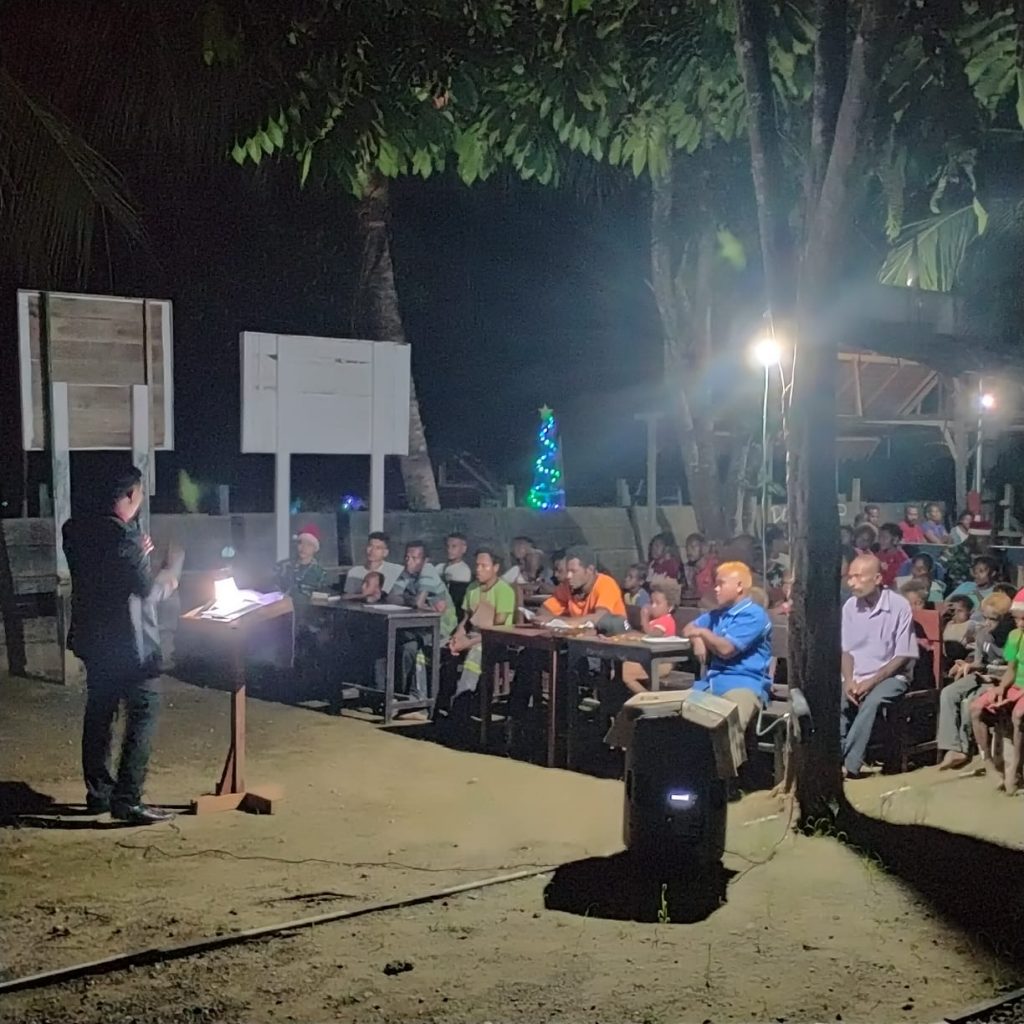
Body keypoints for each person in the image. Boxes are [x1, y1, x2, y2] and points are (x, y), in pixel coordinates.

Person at [63, 465, 183, 825]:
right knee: (143, 711)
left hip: (93, 639)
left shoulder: (75, 530)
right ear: (131, 494)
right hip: (131, 645)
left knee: (99, 714)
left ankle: (99, 793)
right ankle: (128, 799)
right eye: (140, 493)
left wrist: (135, 550)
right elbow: (145, 590)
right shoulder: (125, 538)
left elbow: (108, 569)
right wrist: (170, 575)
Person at [840, 554, 917, 779]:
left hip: (891, 677)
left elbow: (903, 655)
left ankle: (850, 763)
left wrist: (871, 682)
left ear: (877, 579)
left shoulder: (899, 606)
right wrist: (849, 680)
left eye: (858, 577)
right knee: (836, 699)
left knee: (873, 702)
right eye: (850, 577)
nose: (851, 583)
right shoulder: (850, 606)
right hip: (856, 676)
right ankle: (834, 757)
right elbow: (846, 650)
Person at [681, 562, 773, 732]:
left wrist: (702, 632)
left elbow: (726, 650)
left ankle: (730, 750)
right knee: (672, 716)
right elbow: (688, 628)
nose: (715, 589)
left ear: (739, 586)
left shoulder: (754, 615)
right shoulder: (717, 614)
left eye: (720, 584)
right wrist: (697, 639)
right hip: (711, 683)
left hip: (743, 685)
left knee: (726, 724)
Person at [937, 592, 1012, 770]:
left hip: (1000, 680)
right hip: (983, 674)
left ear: (1005, 619)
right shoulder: (983, 634)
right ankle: (952, 747)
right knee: (948, 693)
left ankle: (964, 749)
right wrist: (968, 665)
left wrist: (992, 675)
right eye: (985, 618)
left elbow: (1013, 669)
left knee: (969, 701)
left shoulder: (1013, 637)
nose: (987, 623)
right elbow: (980, 662)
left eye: (993, 619)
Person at [387, 541, 458, 707]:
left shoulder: (428, 571)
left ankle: (416, 699)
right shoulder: (407, 572)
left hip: (441, 628)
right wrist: (410, 600)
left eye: (414, 558)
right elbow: (391, 598)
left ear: (425, 560)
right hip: (417, 626)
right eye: (407, 557)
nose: (409, 562)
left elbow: (418, 602)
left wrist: (407, 599)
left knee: (409, 647)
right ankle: (399, 695)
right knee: (396, 643)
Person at [969, 591, 1024, 794]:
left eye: (1023, 619)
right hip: (1015, 686)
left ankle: (1014, 771)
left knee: (1019, 714)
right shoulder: (1015, 636)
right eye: (1017, 619)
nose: (1020, 624)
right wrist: (1001, 688)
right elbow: (1011, 669)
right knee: (976, 708)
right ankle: (989, 764)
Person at [447, 547, 517, 704]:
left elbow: (496, 629)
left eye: (484, 566)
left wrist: (468, 643)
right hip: (472, 635)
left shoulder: (504, 591)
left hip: (496, 639)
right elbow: (466, 619)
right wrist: (457, 636)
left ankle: (462, 703)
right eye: (477, 565)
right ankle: (434, 701)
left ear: (495, 568)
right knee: (439, 649)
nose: (478, 569)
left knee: (476, 653)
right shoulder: (472, 588)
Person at [536, 545, 626, 627]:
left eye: (574, 571)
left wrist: (562, 621)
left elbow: (600, 618)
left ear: (590, 570)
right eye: (568, 571)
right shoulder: (568, 586)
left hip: (612, 636)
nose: (568, 576)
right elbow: (543, 612)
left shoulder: (606, 584)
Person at [621, 579, 681, 694]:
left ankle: (648, 698)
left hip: (661, 663)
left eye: (657, 603)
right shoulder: (655, 621)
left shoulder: (666, 621)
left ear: (670, 607)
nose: (653, 606)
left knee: (626, 672)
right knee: (623, 667)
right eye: (651, 602)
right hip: (650, 661)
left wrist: (644, 618)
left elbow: (652, 635)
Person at [275, 524, 328, 614]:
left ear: (315, 549)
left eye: (309, 545)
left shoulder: (320, 573)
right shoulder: (283, 566)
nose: (303, 548)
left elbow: (322, 599)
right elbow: (272, 588)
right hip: (280, 610)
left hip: (306, 613)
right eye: (300, 543)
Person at [942, 593, 976, 662]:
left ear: (970, 612)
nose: (956, 614)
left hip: (962, 655)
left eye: (960, 611)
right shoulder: (949, 623)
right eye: (953, 611)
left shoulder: (972, 624)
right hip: (945, 655)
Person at [683, 532, 717, 601]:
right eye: (687, 548)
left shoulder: (714, 567)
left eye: (693, 547)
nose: (689, 551)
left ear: (704, 548)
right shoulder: (691, 572)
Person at [875, 523, 908, 589]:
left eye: (885, 537)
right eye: (879, 537)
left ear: (895, 539)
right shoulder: (879, 554)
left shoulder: (902, 559)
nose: (880, 541)